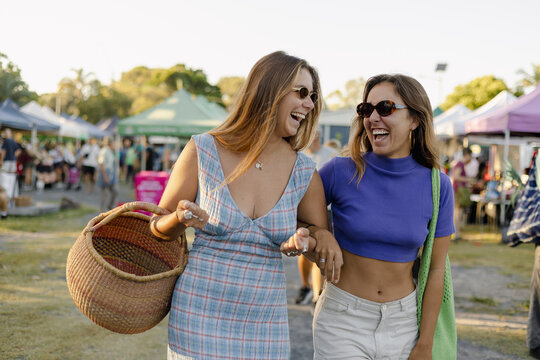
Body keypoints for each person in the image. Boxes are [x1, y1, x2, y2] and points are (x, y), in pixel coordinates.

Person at [149, 51, 328, 359]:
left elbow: (320, 243)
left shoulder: (304, 172)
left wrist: (306, 240)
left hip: (265, 323)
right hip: (198, 316)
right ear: (269, 91)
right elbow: (156, 229)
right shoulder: (202, 150)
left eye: (312, 96)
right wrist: (180, 218)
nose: (310, 104)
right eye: (301, 93)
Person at [283, 74, 456, 359]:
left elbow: (436, 270)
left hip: (405, 323)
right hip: (342, 320)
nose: (373, 117)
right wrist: (320, 233)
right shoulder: (339, 171)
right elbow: (291, 216)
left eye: (385, 108)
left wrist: (425, 343)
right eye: (366, 109)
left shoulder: (439, 186)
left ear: (415, 119)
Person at [295, 127, 338, 307]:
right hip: (302, 208)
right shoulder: (299, 155)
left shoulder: (331, 154)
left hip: (327, 208)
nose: (313, 139)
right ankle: (306, 285)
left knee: (319, 250)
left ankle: (317, 294)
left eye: (316, 135)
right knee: (304, 253)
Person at [451, 147, 476, 239]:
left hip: (459, 191)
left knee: (459, 212)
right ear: (467, 155)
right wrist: (468, 179)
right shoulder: (460, 164)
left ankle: (458, 233)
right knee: (457, 213)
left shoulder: (460, 164)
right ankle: (456, 234)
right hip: (458, 191)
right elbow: (456, 177)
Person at [97, 137, 118, 211]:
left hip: (109, 174)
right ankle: (102, 210)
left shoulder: (109, 151)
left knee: (114, 192)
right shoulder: (104, 151)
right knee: (104, 193)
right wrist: (105, 176)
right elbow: (101, 163)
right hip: (105, 173)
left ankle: (109, 206)